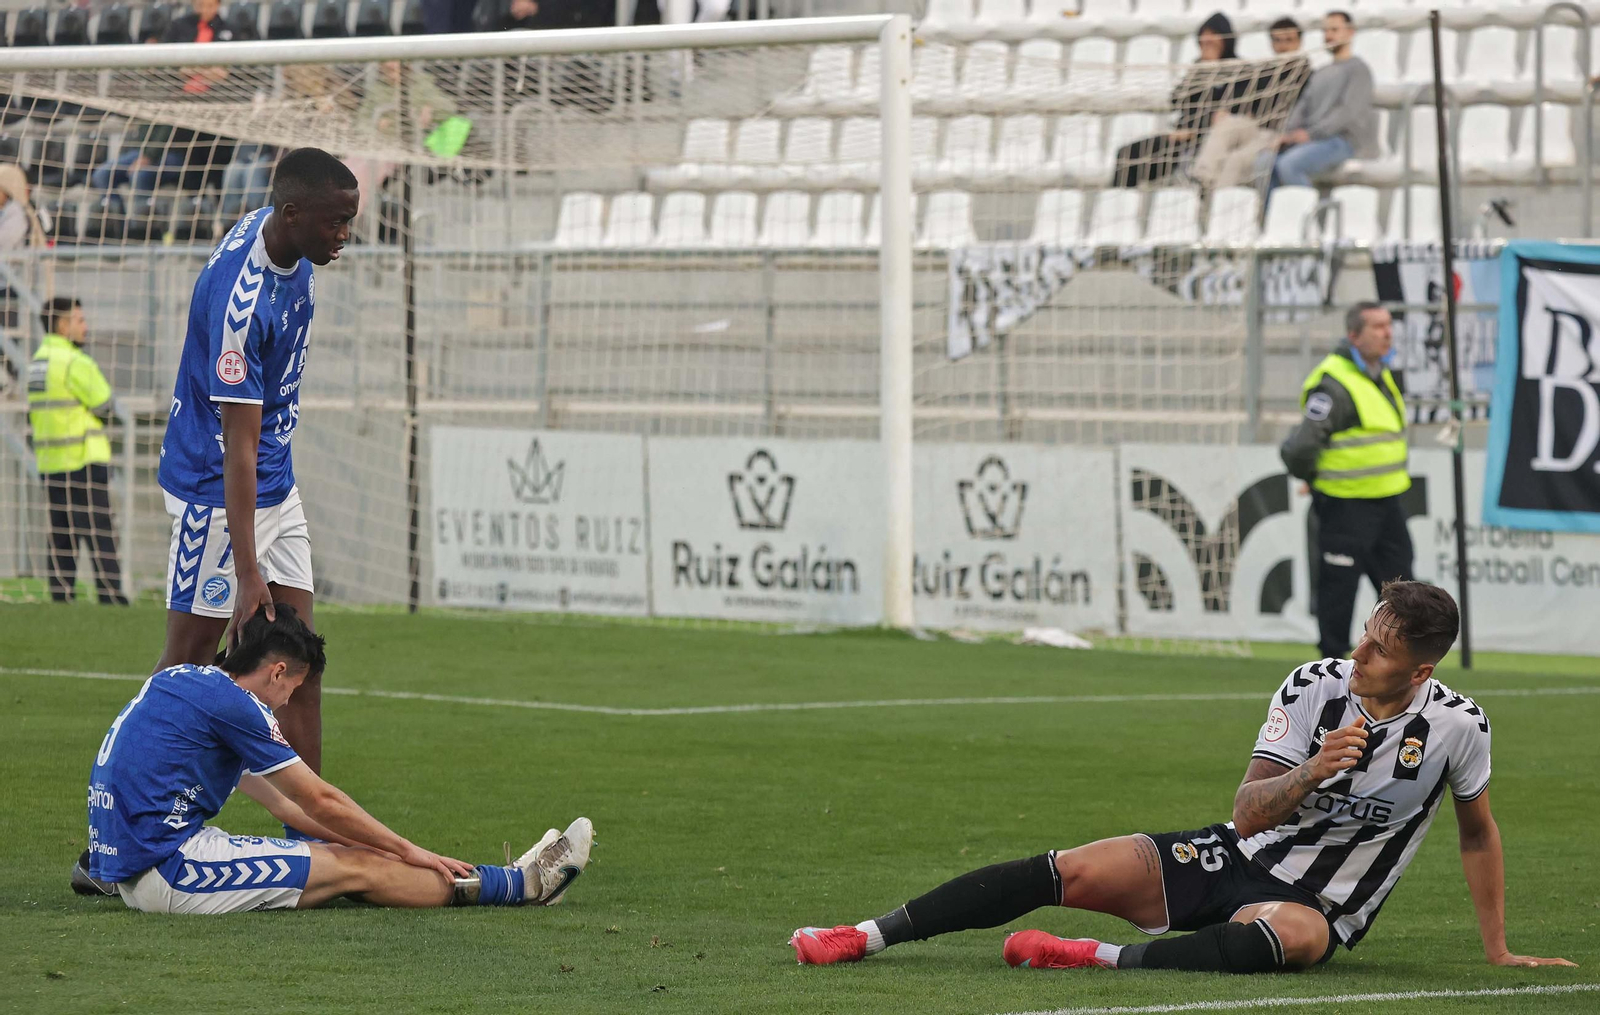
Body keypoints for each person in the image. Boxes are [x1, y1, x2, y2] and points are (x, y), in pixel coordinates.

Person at [790, 582, 1575, 975]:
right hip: (1238, 856)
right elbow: (1244, 814)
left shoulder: (1458, 726)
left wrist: (1499, 948)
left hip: (1323, 902)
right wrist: (1310, 771)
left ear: (1422, 668)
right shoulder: (1312, 686)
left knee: (1298, 938)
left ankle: (1089, 955)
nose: (1359, 653)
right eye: (1365, 635)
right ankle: (863, 934)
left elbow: (1478, 830)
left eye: (1380, 650)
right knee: (1072, 866)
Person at [75, 604, 593, 914]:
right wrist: (408, 849)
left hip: (143, 862)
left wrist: (381, 845)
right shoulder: (239, 707)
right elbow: (317, 797)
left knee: (348, 854)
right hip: (171, 872)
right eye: (294, 688)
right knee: (352, 868)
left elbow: (288, 809)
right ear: (277, 672)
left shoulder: (185, 681)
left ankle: (501, 879)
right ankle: (523, 886)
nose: (288, 701)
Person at [152, 148, 359, 784]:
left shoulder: (290, 245)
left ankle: (317, 841)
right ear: (292, 213)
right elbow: (235, 443)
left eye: (349, 220)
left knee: (300, 664)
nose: (345, 235)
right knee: (185, 666)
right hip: (215, 495)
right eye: (335, 222)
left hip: (275, 484)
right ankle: (125, 825)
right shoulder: (241, 304)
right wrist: (249, 570)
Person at [1281, 302, 1414, 660]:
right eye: (1377, 327)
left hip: (1386, 502)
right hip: (1345, 504)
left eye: (1389, 325)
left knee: (1402, 590)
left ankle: (1398, 661)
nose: (1387, 333)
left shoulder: (1379, 372)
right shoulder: (1334, 382)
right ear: (1354, 335)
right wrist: (1315, 478)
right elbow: (1300, 447)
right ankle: (1332, 670)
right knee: (1338, 591)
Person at [27, 297, 129, 605]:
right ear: (62, 324)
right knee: (100, 533)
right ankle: (111, 597)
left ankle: (61, 597)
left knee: (61, 534)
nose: (85, 327)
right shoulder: (74, 361)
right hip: (83, 460)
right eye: (80, 321)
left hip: (50, 462)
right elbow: (105, 405)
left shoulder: (37, 363)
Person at [1112, 12, 1239, 189]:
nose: (1207, 41)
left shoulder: (1240, 70)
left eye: (1213, 35)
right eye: (1204, 36)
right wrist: (1203, 69)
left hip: (1210, 141)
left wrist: (1195, 130)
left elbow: (1235, 109)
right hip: (1180, 138)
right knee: (1127, 154)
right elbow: (1176, 100)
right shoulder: (1197, 68)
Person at [1190, 17, 1311, 192]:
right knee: (1227, 123)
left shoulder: (1309, 76)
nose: (1283, 46)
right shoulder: (1264, 73)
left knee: (1235, 160)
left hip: (1279, 134)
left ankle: (1216, 200)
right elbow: (1245, 102)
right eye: (1278, 40)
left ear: (1299, 42)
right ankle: (1202, 175)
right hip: (1255, 127)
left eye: (1289, 40)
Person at [1263, 11, 1380, 190]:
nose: (1328, 35)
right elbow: (1303, 106)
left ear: (1350, 32)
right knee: (1263, 163)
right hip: (1314, 140)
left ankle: (1305, 214)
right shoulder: (1320, 73)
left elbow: (1347, 112)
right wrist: (1287, 134)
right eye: (1325, 30)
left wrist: (1311, 134)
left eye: (1334, 29)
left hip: (1344, 142)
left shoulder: (1358, 70)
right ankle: (1268, 217)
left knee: (1289, 164)